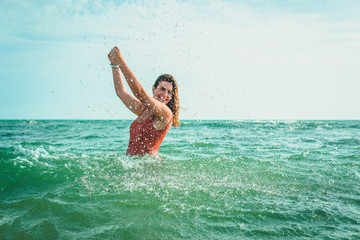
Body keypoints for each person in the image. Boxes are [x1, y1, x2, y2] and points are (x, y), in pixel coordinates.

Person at [108, 46, 179, 158]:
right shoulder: (143, 110)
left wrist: (121, 61)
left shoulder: (166, 114)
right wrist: (115, 66)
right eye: (162, 89)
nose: (165, 95)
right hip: (135, 167)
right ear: (154, 89)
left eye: (170, 92)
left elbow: (140, 93)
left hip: (150, 170)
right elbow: (121, 92)